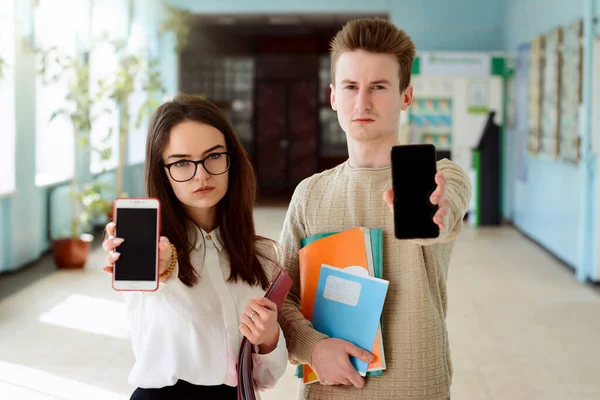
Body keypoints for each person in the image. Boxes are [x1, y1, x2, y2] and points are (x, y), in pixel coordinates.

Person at [277, 17, 472, 400]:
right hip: (329, 391)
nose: (362, 102)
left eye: (379, 87)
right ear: (333, 96)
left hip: (419, 388)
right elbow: (282, 296)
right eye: (351, 87)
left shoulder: (441, 176)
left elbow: (448, 208)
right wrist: (314, 346)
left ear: (406, 96)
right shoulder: (309, 194)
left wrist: (440, 211)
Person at [102, 95, 288, 399]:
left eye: (213, 156)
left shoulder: (262, 256)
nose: (201, 174)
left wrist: (269, 339)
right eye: (182, 162)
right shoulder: (152, 247)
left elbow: (265, 378)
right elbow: (156, 274)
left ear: (232, 159)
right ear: (163, 171)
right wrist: (163, 266)